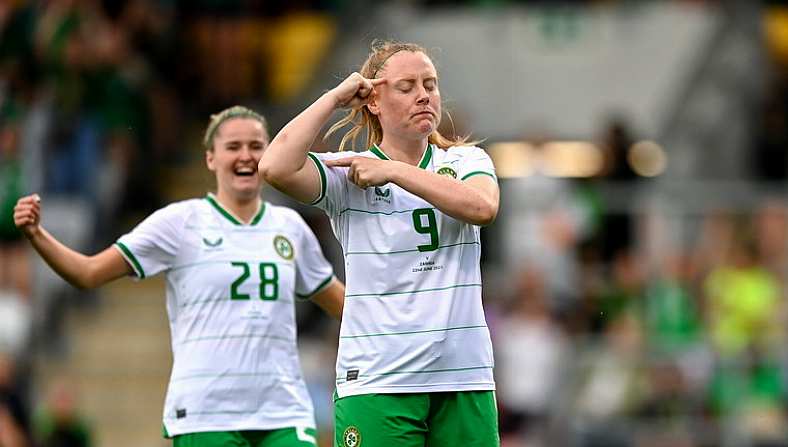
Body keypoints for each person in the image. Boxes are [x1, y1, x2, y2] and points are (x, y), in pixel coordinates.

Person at [14, 106, 345, 446]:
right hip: (206, 412)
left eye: (256, 146)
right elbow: (88, 272)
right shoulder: (179, 222)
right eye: (233, 147)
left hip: (283, 411)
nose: (245, 156)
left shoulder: (290, 227)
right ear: (210, 159)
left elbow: (343, 305)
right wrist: (37, 235)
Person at [259, 40, 500, 447]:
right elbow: (274, 166)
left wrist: (393, 172)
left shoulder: (465, 161)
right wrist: (334, 98)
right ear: (373, 101)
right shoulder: (349, 174)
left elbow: (482, 207)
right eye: (406, 87)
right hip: (378, 379)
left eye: (430, 84)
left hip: (463, 375)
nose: (424, 95)